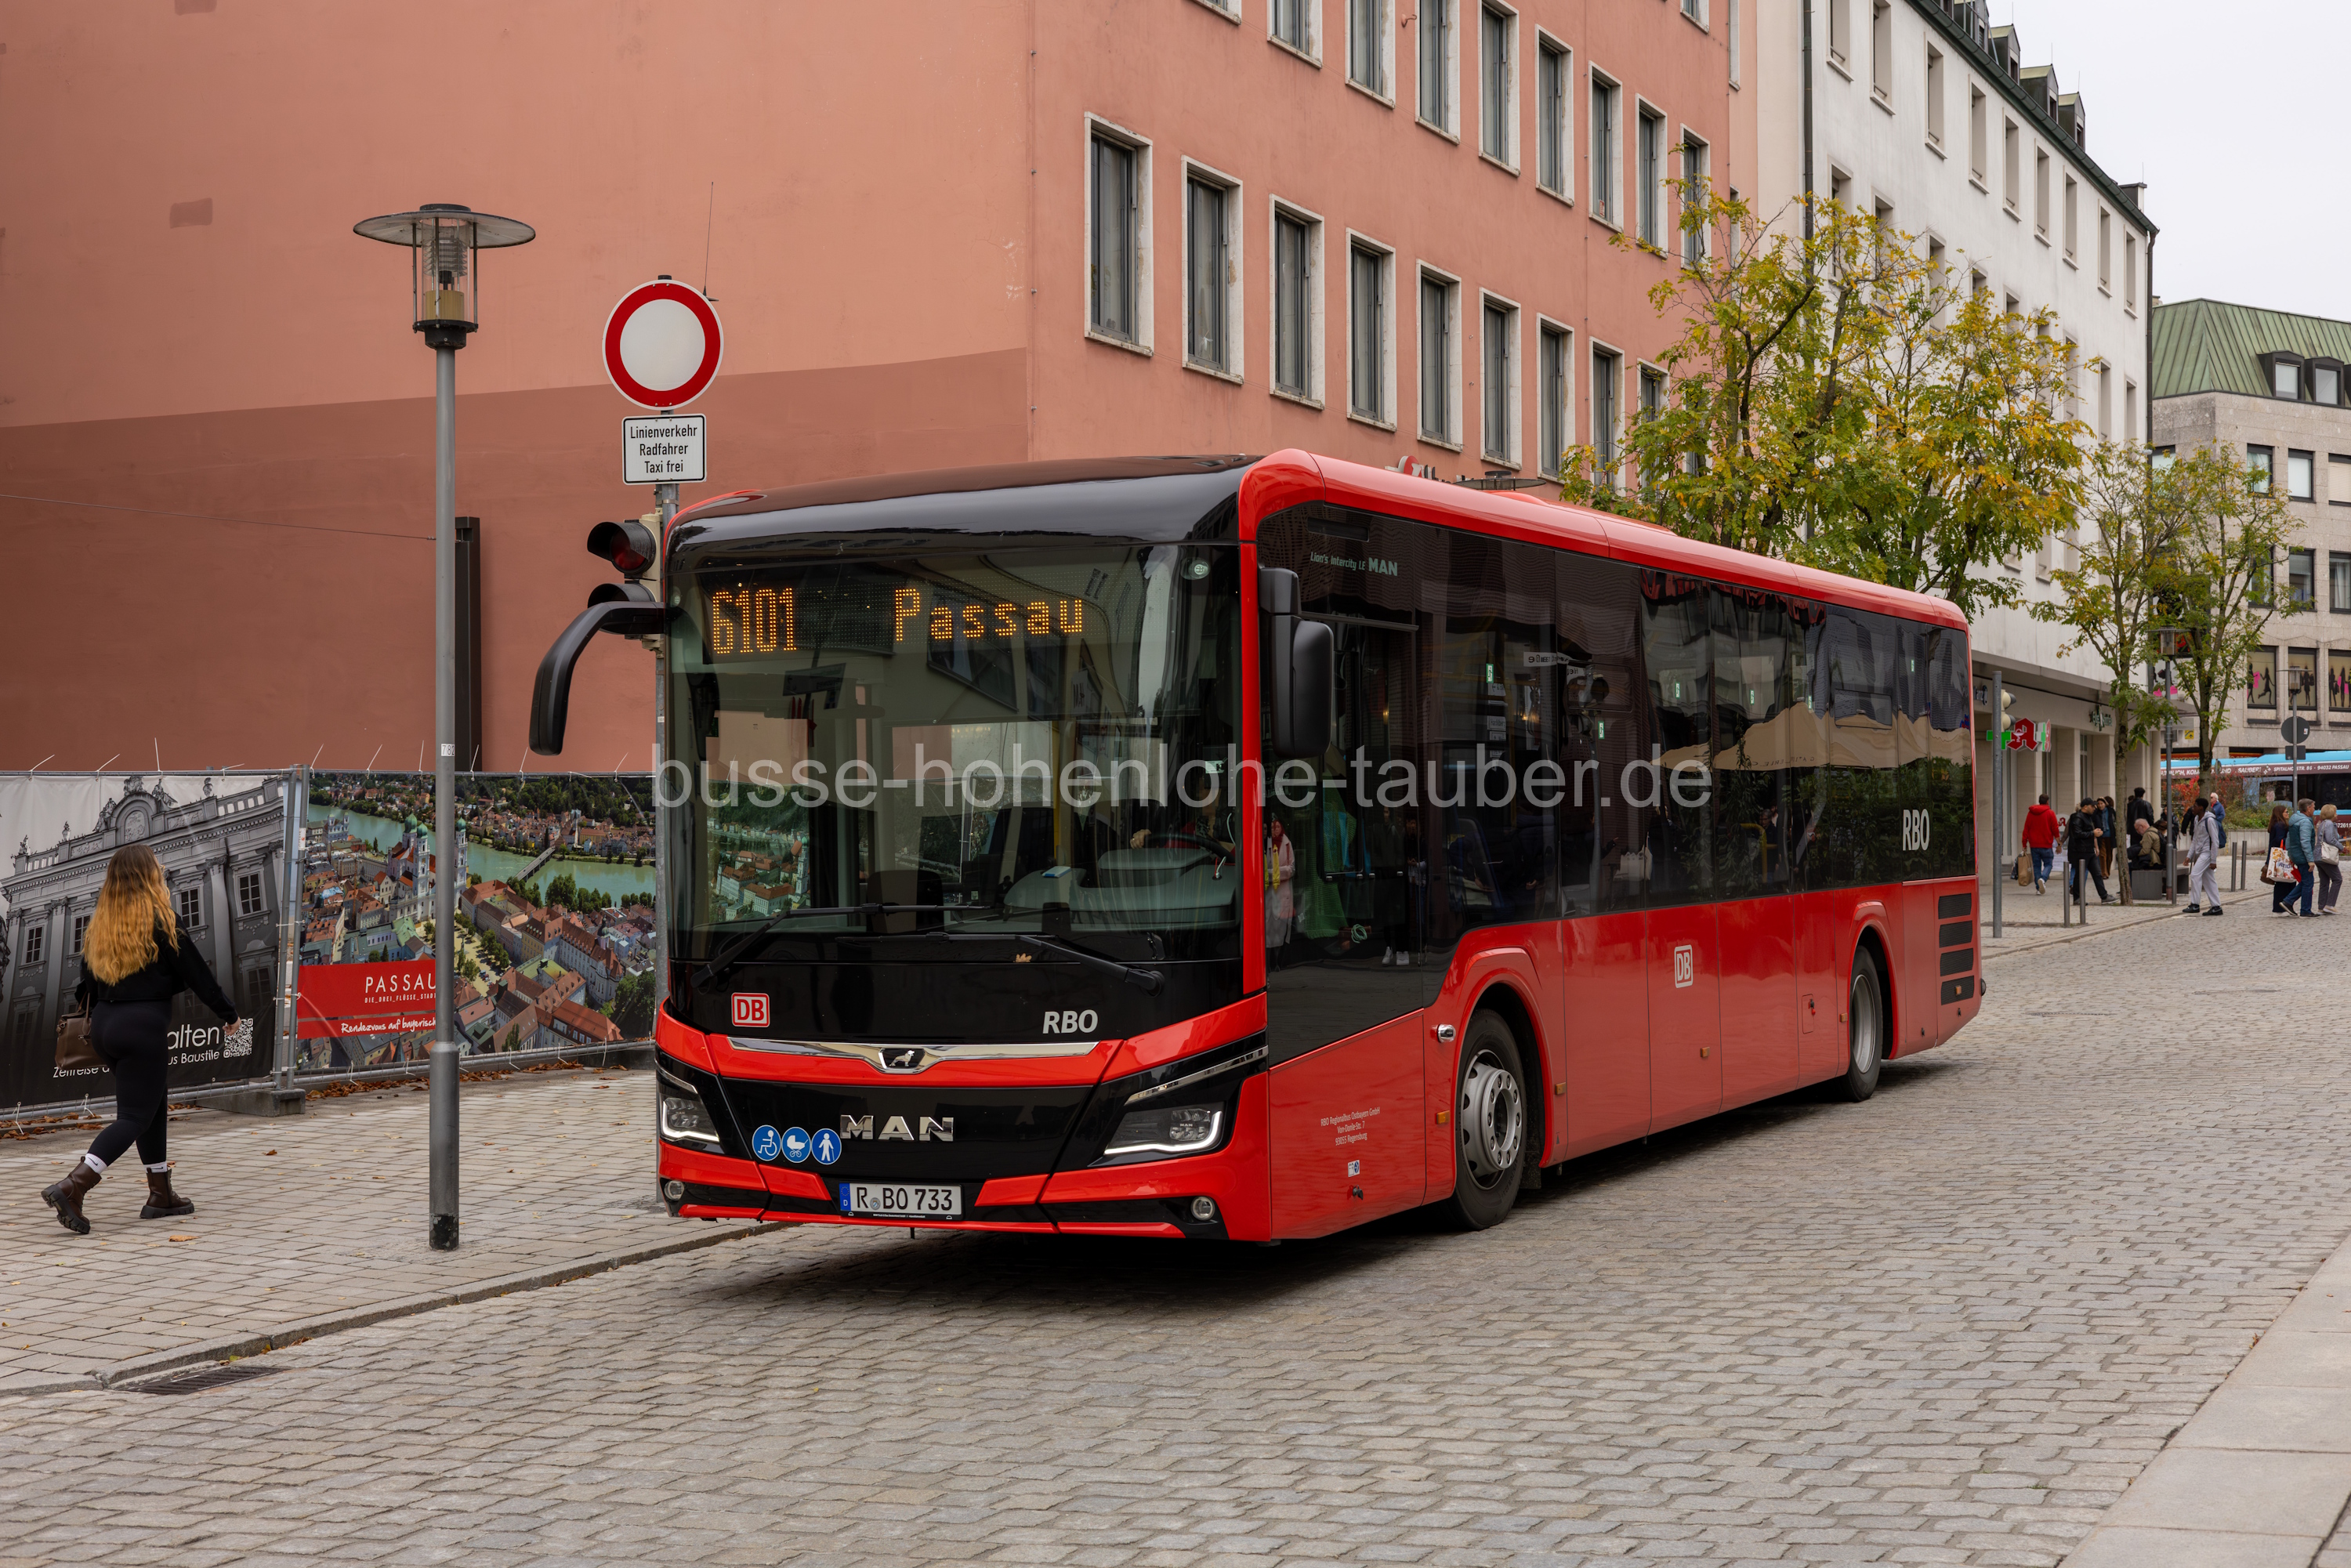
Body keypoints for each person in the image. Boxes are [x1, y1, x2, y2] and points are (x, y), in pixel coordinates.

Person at [41, 844, 239, 1236]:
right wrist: (228, 1014)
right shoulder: (163, 921)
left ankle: (161, 1194)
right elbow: (197, 974)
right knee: (134, 1116)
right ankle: (74, 1185)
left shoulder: (99, 926)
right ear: (149, 875)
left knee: (152, 1104)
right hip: (142, 1028)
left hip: (105, 1028)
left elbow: (85, 984)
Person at [2064, 797, 2114, 904]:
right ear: (2085, 807)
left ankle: (2104, 896)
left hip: (2089, 850)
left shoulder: (2089, 817)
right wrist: (2093, 833)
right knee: (2080, 875)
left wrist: (2095, 835)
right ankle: (2077, 898)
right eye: (2092, 806)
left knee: (2097, 874)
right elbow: (2077, 834)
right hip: (2081, 851)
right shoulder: (2078, 818)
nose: (2095, 808)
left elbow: (2088, 832)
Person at [2186, 798, 2223, 914]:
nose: (2193, 808)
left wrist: (2213, 860)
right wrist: (2189, 856)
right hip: (2201, 852)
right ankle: (2216, 907)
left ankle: (2195, 904)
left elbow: (2215, 841)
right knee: (2209, 880)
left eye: (2195, 806)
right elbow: (2195, 839)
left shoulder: (2210, 820)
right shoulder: (2197, 819)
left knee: (2195, 874)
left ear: (2201, 808)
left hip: (2207, 853)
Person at [2022, 794, 2062, 893]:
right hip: (2046, 845)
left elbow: (2026, 829)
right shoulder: (2050, 813)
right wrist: (2059, 844)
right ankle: (2043, 879)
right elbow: (2055, 830)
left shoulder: (2031, 813)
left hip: (2034, 845)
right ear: (2047, 802)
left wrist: (2024, 844)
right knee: (2048, 864)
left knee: (2036, 866)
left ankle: (2038, 888)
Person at [2286, 798, 2319, 917]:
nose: (2314, 810)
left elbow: (2289, 839)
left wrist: (2290, 854)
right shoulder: (2305, 822)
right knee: (2308, 882)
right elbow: (2305, 842)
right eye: (2313, 807)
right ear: (2308, 808)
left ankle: (2289, 902)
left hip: (2296, 854)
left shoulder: (2294, 820)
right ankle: (2302, 908)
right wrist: (2310, 860)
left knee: (2306, 881)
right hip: (2303, 855)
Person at [2268, 802, 2296, 914]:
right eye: (2286, 812)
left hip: (2277, 856)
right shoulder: (2280, 825)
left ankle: (2281, 907)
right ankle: (2281, 907)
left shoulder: (2277, 824)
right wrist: (2291, 839)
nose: (2288, 813)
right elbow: (2279, 840)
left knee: (2283, 883)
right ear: (2280, 813)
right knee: (2286, 882)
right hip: (2282, 856)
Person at [2317, 804, 2344, 915]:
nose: (2337, 815)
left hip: (2319, 856)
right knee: (2338, 879)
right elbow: (2330, 839)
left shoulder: (2323, 823)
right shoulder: (2329, 824)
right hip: (2326, 856)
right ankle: (2330, 905)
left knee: (2324, 882)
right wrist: (2341, 847)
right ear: (2331, 813)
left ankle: (2321, 907)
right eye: (2335, 812)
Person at [2096, 795, 2118, 878]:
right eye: (2098, 804)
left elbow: (2116, 821)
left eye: (2102, 803)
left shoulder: (2111, 811)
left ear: (2105, 804)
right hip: (2100, 836)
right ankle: (2104, 873)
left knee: (2109, 855)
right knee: (2102, 855)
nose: (2100, 805)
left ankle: (2107, 871)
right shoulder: (2096, 813)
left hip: (2110, 836)